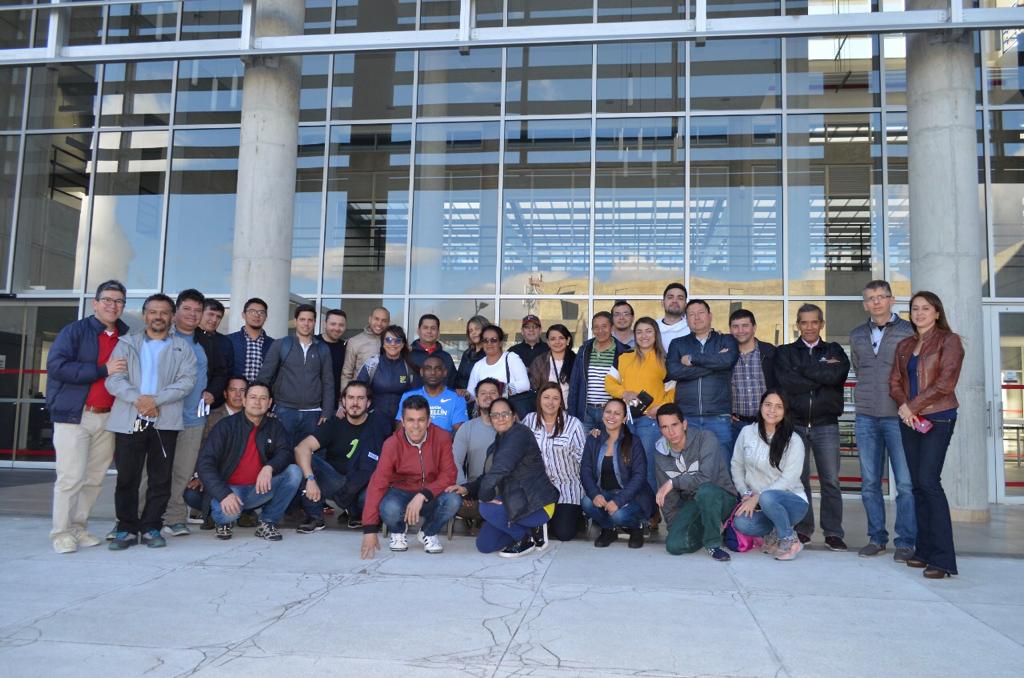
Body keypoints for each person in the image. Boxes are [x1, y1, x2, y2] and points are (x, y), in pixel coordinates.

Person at [105, 293, 197, 551]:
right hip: (129, 419)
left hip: (164, 422)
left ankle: (151, 527)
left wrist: (155, 400)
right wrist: (139, 400)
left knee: (160, 478)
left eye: (164, 312)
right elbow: (114, 379)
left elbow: (186, 382)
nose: (158, 316)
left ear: (172, 317)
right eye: (153, 312)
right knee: (127, 477)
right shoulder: (126, 344)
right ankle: (125, 528)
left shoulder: (182, 348)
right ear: (145, 315)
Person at [46, 279, 130, 554]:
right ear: (95, 303)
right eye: (107, 300)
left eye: (118, 301)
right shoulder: (75, 332)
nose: (112, 305)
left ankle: (77, 527)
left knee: (94, 478)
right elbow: (57, 366)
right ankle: (60, 532)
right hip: (76, 416)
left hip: (109, 419)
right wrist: (102, 369)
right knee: (70, 477)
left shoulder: (125, 336)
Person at [890, 291, 965, 579]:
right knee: (917, 485)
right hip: (911, 420)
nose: (919, 313)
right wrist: (904, 406)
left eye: (925, 308)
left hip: (939, 416)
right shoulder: (906, 344)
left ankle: (943, 559)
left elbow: (946, 382)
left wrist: (913, 406)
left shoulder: (949, 341)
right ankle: (923, 550)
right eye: (915, 308)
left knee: (929, 482)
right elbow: (895, 381)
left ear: (937, 312)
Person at [774, 303, 851, 551]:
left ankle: (833, 532)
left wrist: (802, 370)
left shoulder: (834, 350)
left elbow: (835, 376)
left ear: (821, 324)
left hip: (826, 424)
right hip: (795, 425)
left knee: (831, 480)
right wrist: (820, 372)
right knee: (799, 480)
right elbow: (787, 382)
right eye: (804, 322)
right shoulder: (785, 352)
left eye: (814, 322)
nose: (809, 327)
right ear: (797, 325)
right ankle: (803, 529)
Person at [851, 280, 916, 561]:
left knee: (905, 484)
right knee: (869, 483)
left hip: (898, 416)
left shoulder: (909, 331)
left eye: (881, 296)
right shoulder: (857, 334)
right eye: (871, 298)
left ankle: (906, 542)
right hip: (866, 416)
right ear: (865, 304)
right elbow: (859, 367)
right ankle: (876, 538)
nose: (876, 302)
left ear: (892, 300)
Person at [446, 397, 559, 557]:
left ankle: (525, 539)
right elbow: (487, 476)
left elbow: (500, 469)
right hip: (513, 499)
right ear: (491, 419)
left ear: (513, 416)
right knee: (485, 545)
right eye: (495, 415)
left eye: (505, 414)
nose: (500, 418)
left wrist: (484, 497)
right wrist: (466, 488)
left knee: (486, 508)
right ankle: (529, 531)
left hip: (536, 503)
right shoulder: (497, 444)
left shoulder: (520, 434)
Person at [195, 382, 302, 542]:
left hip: (258, 490)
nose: (257, 402)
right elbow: (205, 463)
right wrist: (224, 494)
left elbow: (285, 452)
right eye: (252, 397)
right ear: (244, 400)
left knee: (294, 472)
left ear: (269, 403)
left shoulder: (274, 426)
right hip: (229, 490)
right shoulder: (226, 426)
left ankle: (267, 522)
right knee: (228, 514)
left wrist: (269, 467)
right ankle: (224, 522)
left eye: (263, 398)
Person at [359, 396, 462, 558]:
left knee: (453, 500)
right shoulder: (392, 444)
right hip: (401, 492)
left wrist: (423, 494)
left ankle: (428, 532)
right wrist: (369, 529)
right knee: (389, 507)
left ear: (429, 421)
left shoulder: (442, 437)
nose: (415, 426)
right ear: (403, 421)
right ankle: (398, 530)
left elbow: (449, 474)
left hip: (431, 493)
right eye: (410, 420)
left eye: (421, 420)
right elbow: (377, 484)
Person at [161, 288, 227, 537]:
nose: (192, 314)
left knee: (183, 471)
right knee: (153, 471)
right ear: (176, 310)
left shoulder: (206, 341)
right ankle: (141, 516)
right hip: (161, 416)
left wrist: (212, 392)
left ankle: (175, 518)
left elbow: (221, 372)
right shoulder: (162, 336)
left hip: (193, 418)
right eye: (187, 309)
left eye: (197, 310)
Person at [293, 380, 393, 532]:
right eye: (351, 398)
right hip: (338, 485)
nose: (355, 403)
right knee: (306, 460)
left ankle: (357, 514)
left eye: (360, 398)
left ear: (368, 403)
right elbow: (301, 448)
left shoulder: (379, 425)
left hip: (364, 488)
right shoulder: (334, 424)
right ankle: (315, 516)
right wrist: (310, 479)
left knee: (376, 493)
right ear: (344, 402)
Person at [731, 389, 810, 561]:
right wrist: (745, 492)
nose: (772, 410)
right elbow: (737, 465)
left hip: (792, 502)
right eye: (768, 405)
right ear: (761, 407)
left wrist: (758, 497)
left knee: (767, 496)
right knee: (741, 522)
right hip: (762, 504)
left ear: (785, 411)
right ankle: (775, 533)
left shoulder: (794, 440)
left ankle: (789, 539)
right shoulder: (747, 432)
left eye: (778, 406)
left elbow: (789, 479)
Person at [653, 404, 737, 562]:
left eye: (674, 425)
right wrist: (676, 529)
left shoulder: (705, 438)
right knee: (674, 546)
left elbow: (707, 478)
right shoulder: (660, 453)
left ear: (684, 424)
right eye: (665, 427)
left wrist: (673, 482)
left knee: (706, 491)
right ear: (660, 430)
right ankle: (711, 528)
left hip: (720, 497)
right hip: (694, 503)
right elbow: (667, 498)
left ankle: (713, 544)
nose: (671, 431)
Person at [605, 316, 675, 492]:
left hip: (650, 421)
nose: (644, 336)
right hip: (626, 420)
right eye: (639, 332)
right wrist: (624, 393)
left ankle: (651, 505)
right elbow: (609, 383)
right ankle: (628, 502)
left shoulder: (665, 360)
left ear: (656, 334)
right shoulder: (624, 357)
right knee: (624, 464)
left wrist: (661, 408)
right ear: (634, 335)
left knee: (647, 465)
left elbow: (672, 389)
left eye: (648, 331)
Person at [666, 300, 739, 464]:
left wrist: (693, 359)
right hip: (687, 416)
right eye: (691, 314)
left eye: (700, 313)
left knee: (721, 466)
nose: (696, 317)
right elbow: (674, 372)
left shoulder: (726, 340)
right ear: (686, 319)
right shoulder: (678, 344)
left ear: (710, 316)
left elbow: (728, 361)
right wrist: (715, 365)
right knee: (688, 467)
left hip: (718, 416)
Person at [580, 399, 655, 549]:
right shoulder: (593, 439)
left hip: (632, 496)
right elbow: (585, 470)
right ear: (602, 415)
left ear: (624, 418)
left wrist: (619, 501)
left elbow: (639, 476)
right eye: (608, 412)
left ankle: (637, 527)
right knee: (587, 502)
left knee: (618, 515)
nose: (611, 416)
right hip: (605, 493)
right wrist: (595, 494)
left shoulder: (634, 441)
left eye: (617, 413)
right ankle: (609, 529)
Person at [257, 304, 335, 446]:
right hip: (284, 411)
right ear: (295, 321)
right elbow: (264, 377)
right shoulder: (281, 345)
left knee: (311, 455)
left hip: (313, 413)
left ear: (314, 322)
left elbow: (328, 382)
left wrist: (327, 412)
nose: (306, 324)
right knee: (280, 451)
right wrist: (265, 407)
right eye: (302, 319)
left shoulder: (322, 349)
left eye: (310, 320)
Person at [522, 383, 586, 542]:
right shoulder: (529, 420)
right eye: (546, 397)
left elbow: (583, 459)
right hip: (538, 487)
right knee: (533, 530)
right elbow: (519, 451)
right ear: (539, 399)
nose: (550, 402)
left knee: (564, 534)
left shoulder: (573, 424)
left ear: (561, 401)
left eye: (555, 398)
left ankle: (576, 516)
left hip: (567, 486)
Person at [567, 312, 631, 434]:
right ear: (592, 330)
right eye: (596, 327)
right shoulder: (584, 349)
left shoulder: (623, 351)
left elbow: (628, 384)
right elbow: (575, 382)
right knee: (584, 444)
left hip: (611, 412)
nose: (600, 330)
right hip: (585, 411)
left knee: (609, 444)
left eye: (604, 326)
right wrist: (572, 412)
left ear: (612, 327)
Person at [451, 378, 501, 531]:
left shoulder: (512, 428)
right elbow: (455, 461)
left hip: (503, 491)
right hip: (473, 492)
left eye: (493, 393)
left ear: (500, 398)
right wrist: (464, 489)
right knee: (455, 502)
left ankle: (487, 520)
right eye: (483, 393)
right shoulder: (467, 428)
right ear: (477, 399)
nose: (488, 396)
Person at [728, 309, 777, 449]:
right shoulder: (726, 354)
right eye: (735, 326)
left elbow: (780, 385)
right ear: (730, 329)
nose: (740, 331)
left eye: (745, 325)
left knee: (768, 461)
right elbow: (718, 385)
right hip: (736, 424)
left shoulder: (770, 352)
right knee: (737, 461)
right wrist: (726, 411)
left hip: (767, 422)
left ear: (754, 327)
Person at [357, 324, 420, 422]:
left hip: (401, 421)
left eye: (397, 340)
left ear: (403, 344)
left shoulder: (409, 367)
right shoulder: (372, 364)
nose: (393, 343)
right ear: (383, 343)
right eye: (388, 340)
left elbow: (415, 396)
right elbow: (358, 391)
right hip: (374, 420)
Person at [466, 325, 532, 416]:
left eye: (493, 340)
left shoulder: (511, 358)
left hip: (509, 413)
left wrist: (501, 389)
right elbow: (472, 394)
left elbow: (525, 384)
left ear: (500, 343)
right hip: (486, 416)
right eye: (485, 340)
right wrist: (464, 395)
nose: (489, 343)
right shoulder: (478, 365)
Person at [396, 354, 468, 434]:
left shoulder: (457, 397)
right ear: (422, 372)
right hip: (414, 440)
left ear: (445, 372)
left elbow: (461, 432)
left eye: (437, 369)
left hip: (444, 441)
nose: (433, 372)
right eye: (428, 368)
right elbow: (400, 430)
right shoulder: (408, 396)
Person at [340, 306, 391, 391]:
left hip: (385, 395)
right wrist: (345, 396)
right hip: (361, 395)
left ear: (388, 323)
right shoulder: (354, 342)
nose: (379, 323)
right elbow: (346, 374)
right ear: (370, 319)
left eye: (384, 320)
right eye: (376, 319)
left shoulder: (393, 343)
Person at [226, 297, 275, 382]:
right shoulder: (229, 340)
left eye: (261, 312)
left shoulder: (274, 344)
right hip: (236, 389)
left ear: (266, 317)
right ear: (243, 315)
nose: (257, 315)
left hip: (262, 390)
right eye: (252, 311)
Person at [527, 324, 576, 404]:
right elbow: (532, 388)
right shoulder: (540, 362)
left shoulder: (576, 361)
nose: (557, 342)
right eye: (553, 339)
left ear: (568, 340)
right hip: (546, 408)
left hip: (571, 409)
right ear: (548, 342)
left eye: (561, 338)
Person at [409, 313, 458, 389]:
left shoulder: (446, 357)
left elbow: (452, 384)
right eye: (425, 327)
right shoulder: (408, 355)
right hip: (412, 396)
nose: (429, 331)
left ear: (438, 332)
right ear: (418, 331)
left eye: (433, 328)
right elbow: (401, 380)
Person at [199, 298, 232, 408]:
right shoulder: (189, 337)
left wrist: (213, 392)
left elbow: (226, 373)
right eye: (211, 314)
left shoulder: (225, 342)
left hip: (214, 403)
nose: (214, 319)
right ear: (201, 313)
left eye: (218, 317)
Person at [454, 314, 489, 397]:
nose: (474, 333)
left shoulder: (489, 354)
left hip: (480, 398)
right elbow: (459, 378)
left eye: (477, 329)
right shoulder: (466, 353)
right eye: (470, 331)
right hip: (462, 398)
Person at [317, 308, 347, 404]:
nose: (337, 328)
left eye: (341, 325)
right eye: (333, 324)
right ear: (325, 324)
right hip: (312, 403)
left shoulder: (347, 347)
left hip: (337, 405)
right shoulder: (313, 343)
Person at [204, 377, 247, 442]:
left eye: (242, 390)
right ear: (225, 394)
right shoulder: (211, 417)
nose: (238, 394)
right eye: (233, 390)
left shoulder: (253, 417)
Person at [656, 283, 690, 352]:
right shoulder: (652, 327)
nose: (675, 301)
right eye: (670, 297)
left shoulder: (692, 329)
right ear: (662, 302)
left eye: (680, 298)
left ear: (685, 305)